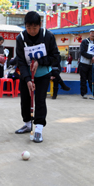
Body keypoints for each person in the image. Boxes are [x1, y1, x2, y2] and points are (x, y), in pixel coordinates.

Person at [14, 11, 59, 143]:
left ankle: (38, 128)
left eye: (34, 28)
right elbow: (21, 61)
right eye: (28, 28)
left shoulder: (48, 36)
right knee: (25, 100)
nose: (32, 31)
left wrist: (40, 61)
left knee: (39, 100)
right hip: (26, 74)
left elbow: (55, 57)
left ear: (40, 25)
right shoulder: (21, 38)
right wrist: (27, 79)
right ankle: (28, 124)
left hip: (43, 74)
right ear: (25, 26)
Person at [79, 29, 94, 100]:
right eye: (92, 33)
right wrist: (91, 57)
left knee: (92, 80)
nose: (93, 35)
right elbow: (82, 52)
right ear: (89, 34)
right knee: (83, 79)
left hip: (91, 65)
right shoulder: (84, 42)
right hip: (83, 64)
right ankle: (83, 93)